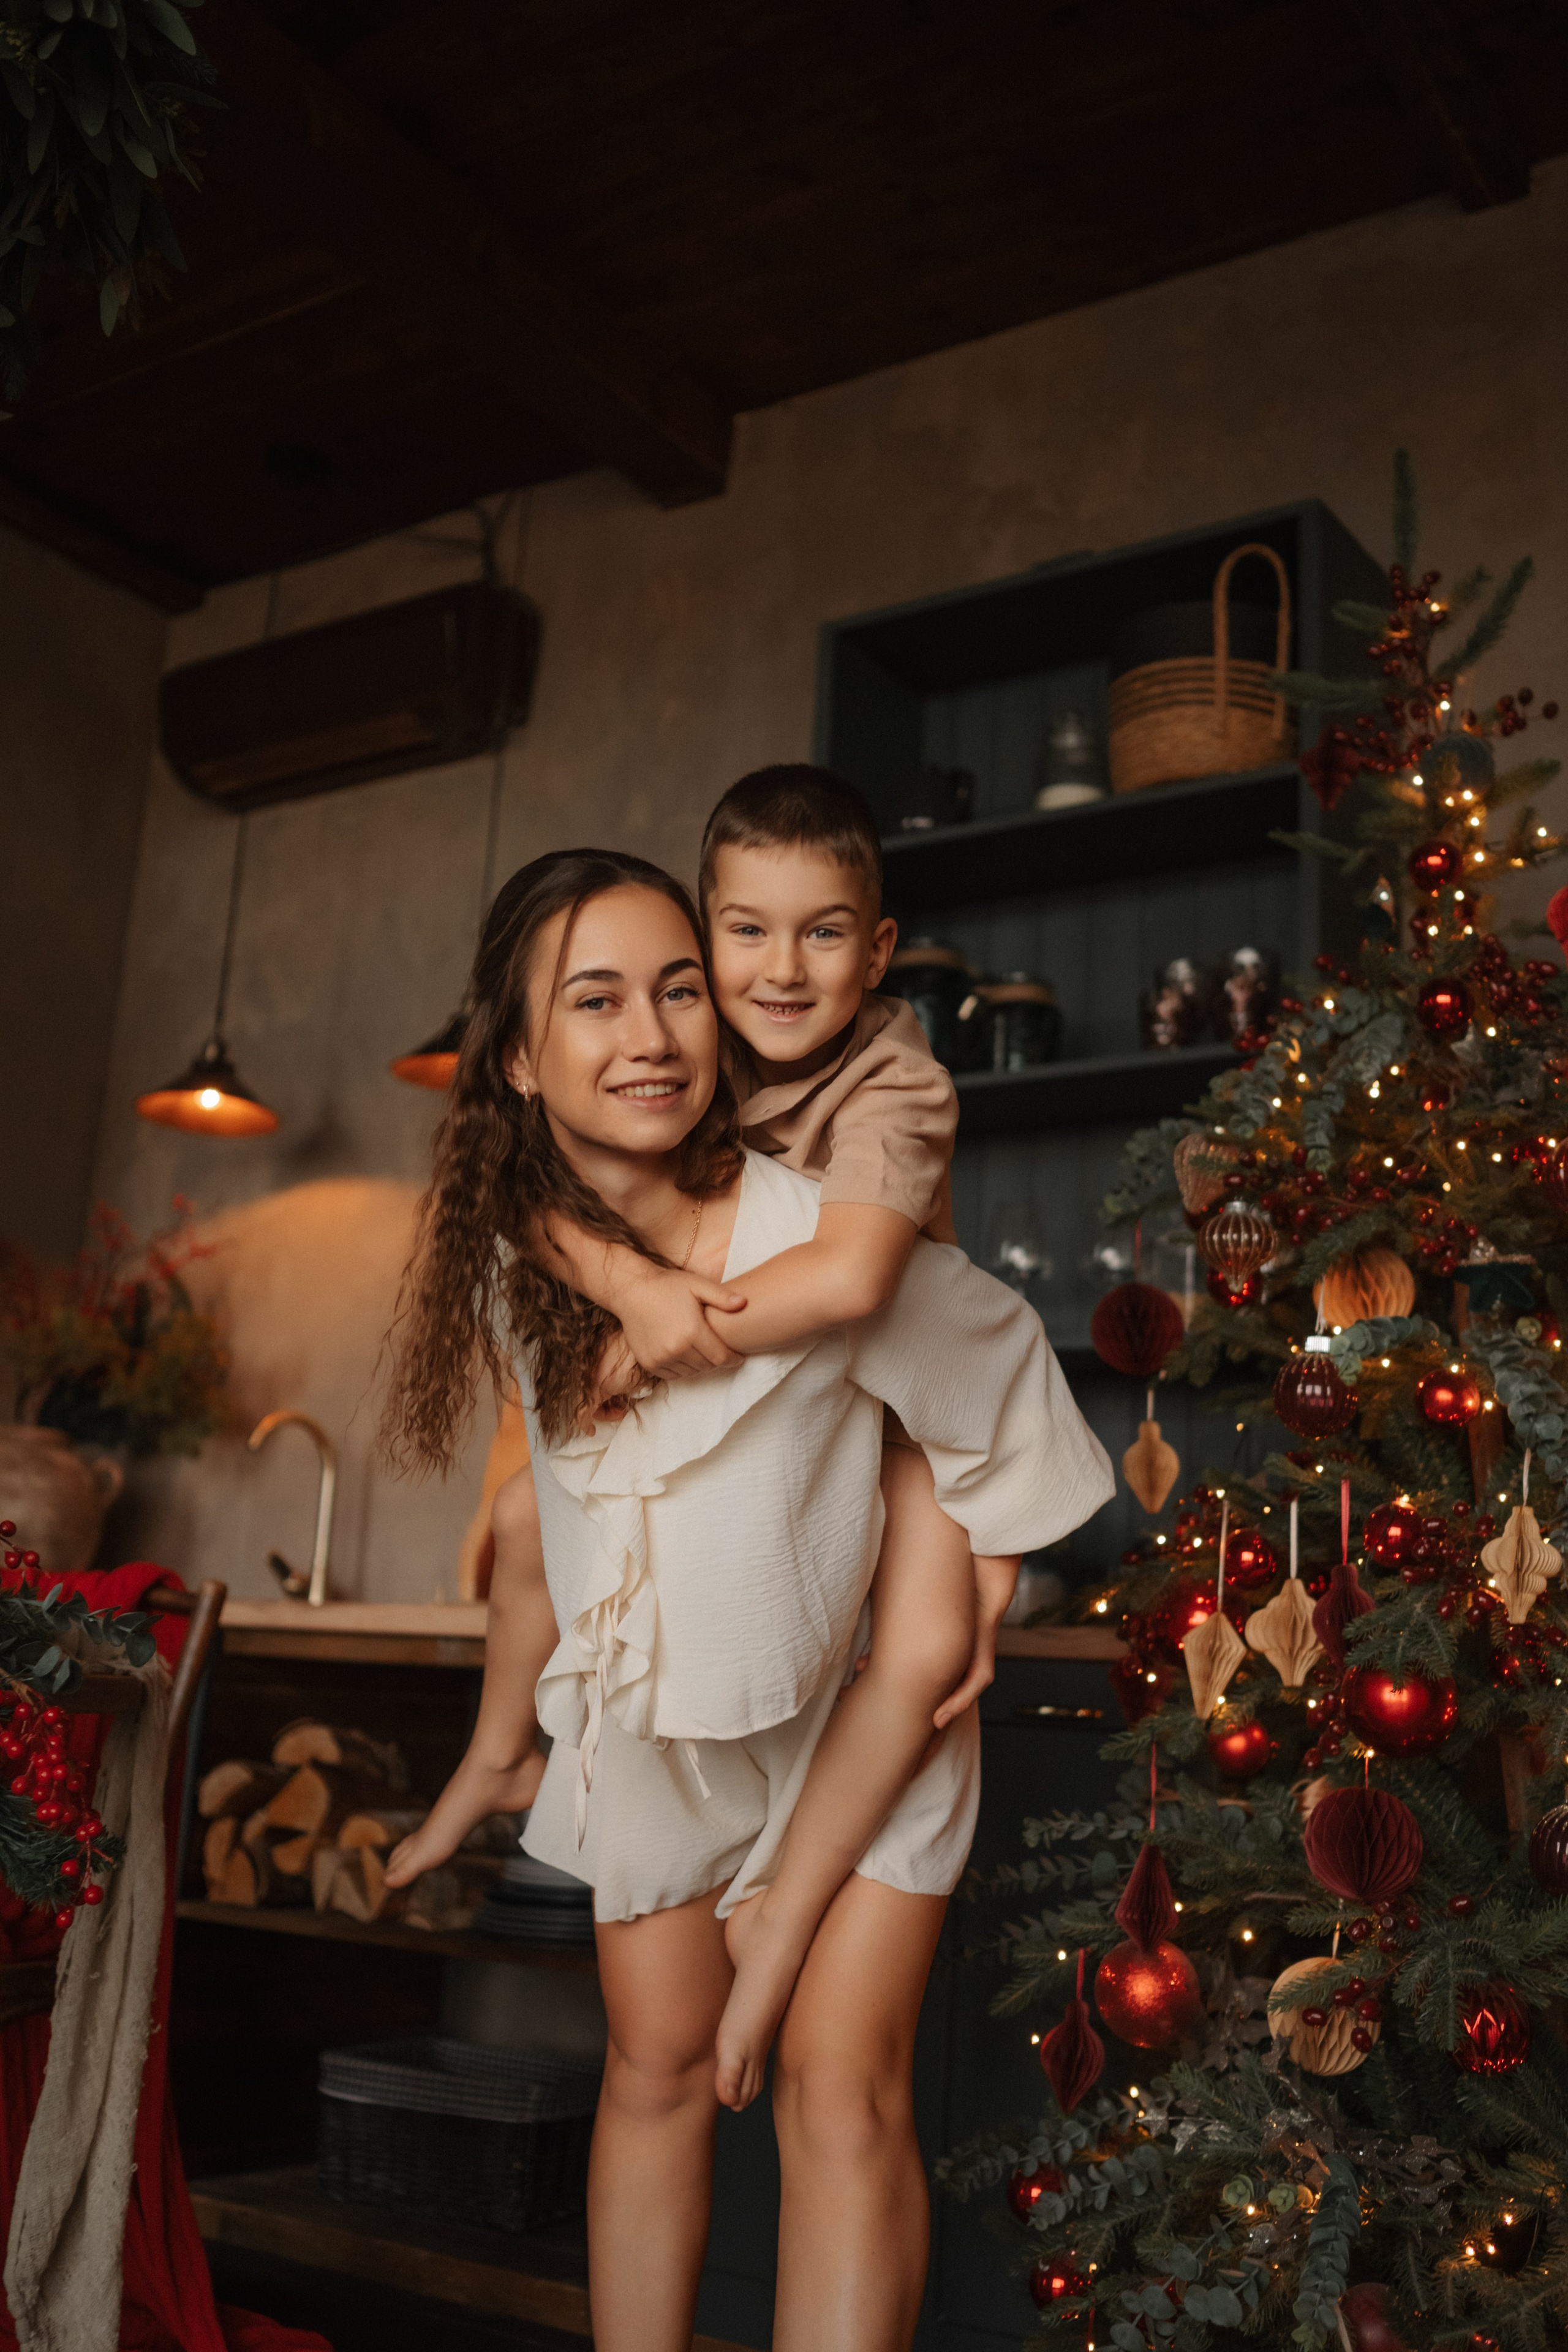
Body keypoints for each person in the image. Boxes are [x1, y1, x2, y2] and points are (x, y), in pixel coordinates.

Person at [381, 849, 1110, 2352]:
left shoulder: (820, 1241)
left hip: (860, 1727)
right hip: (668, 1735)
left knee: (836, 2092)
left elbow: (1006, 1378)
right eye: (596, 1001)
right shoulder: (526, 1269)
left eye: (677, 991)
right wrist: (511, 1735)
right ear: (517, 1057)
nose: (652, 1036)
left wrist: (978, 1567)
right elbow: (556, 1521)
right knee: (653, 2071)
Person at [398, 767, 1023, 2109]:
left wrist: (662, 1328)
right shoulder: (702, 1058)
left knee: (926, 1648)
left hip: (912, 1415)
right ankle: (502, 1746)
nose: (776, 973)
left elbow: (854, 1280)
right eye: (741, 936)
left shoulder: (892, 1085)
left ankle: (782, 1921)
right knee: (521, 1519)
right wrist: (625, 1282)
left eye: (819, 935)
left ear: (875, 951)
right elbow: (516, 1178)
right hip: (817, 1420)